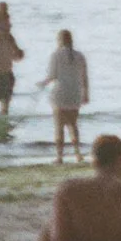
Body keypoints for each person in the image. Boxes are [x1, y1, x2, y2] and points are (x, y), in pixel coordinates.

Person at [40, 29, 90, 164]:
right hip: (75, 93)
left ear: (59, 41)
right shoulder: (80, 56)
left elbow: (52, 76)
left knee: (59, 126)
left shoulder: (56, 55)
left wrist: (42, 83)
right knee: (73, 125)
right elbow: (84, 77)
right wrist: (86, 94)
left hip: (60, 93)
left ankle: (60, 156)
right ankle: (78, 153)